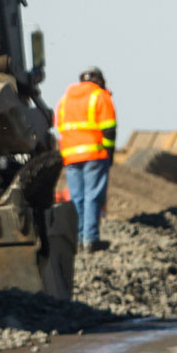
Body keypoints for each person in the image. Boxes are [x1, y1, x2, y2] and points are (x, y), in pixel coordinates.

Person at [56, 66, 117, 253]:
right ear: (99, 80)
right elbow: (109, 129)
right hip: (94, 154)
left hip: (71, 156)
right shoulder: (100, 96)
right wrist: (109, 152)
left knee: (77, 199)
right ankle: (90, 240)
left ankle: (79, 239)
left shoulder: (65, 101)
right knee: (93, 197)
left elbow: (60, 128)